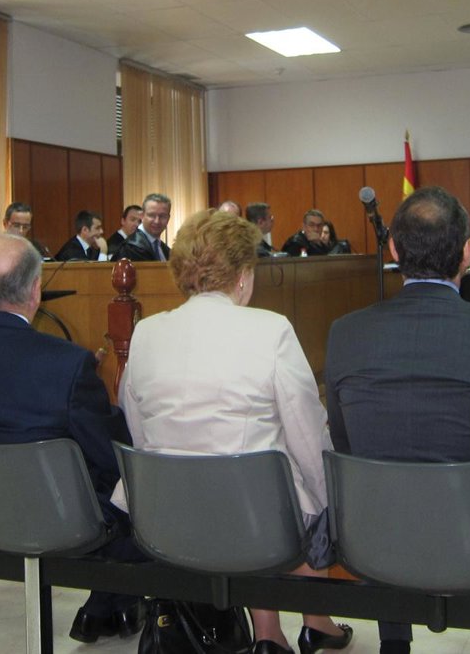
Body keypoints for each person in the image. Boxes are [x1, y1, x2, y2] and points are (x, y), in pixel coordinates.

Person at [325, 186, 470, 654]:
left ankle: (394, 643)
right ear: (468, 252)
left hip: (375, 540)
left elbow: (346, 450)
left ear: (393, 249)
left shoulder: (345, 333)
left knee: (383, 493)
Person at [119, 210, 352, 654]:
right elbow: (307, 430)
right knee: (301, 479)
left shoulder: (145, 333)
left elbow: (139, 430)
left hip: (167, 517)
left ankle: (272, 632)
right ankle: (311, 621)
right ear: (244, 274)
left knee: (259, 469)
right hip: (253, 520)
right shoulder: (271, 329)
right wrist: (327, 495)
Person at [0, 233, 143, 644]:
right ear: (36, 289)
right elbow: (111, 455)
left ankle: (106, 608)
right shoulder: (67, 363)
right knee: (134, 489)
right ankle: (109, 604)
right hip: (59, 518)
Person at [120, 194, 172, 261]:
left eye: (162, 216)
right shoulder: (131, 248)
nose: (157, 221)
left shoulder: (166, 250)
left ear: (168, 218)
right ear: (142, 216)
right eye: (151, 215)